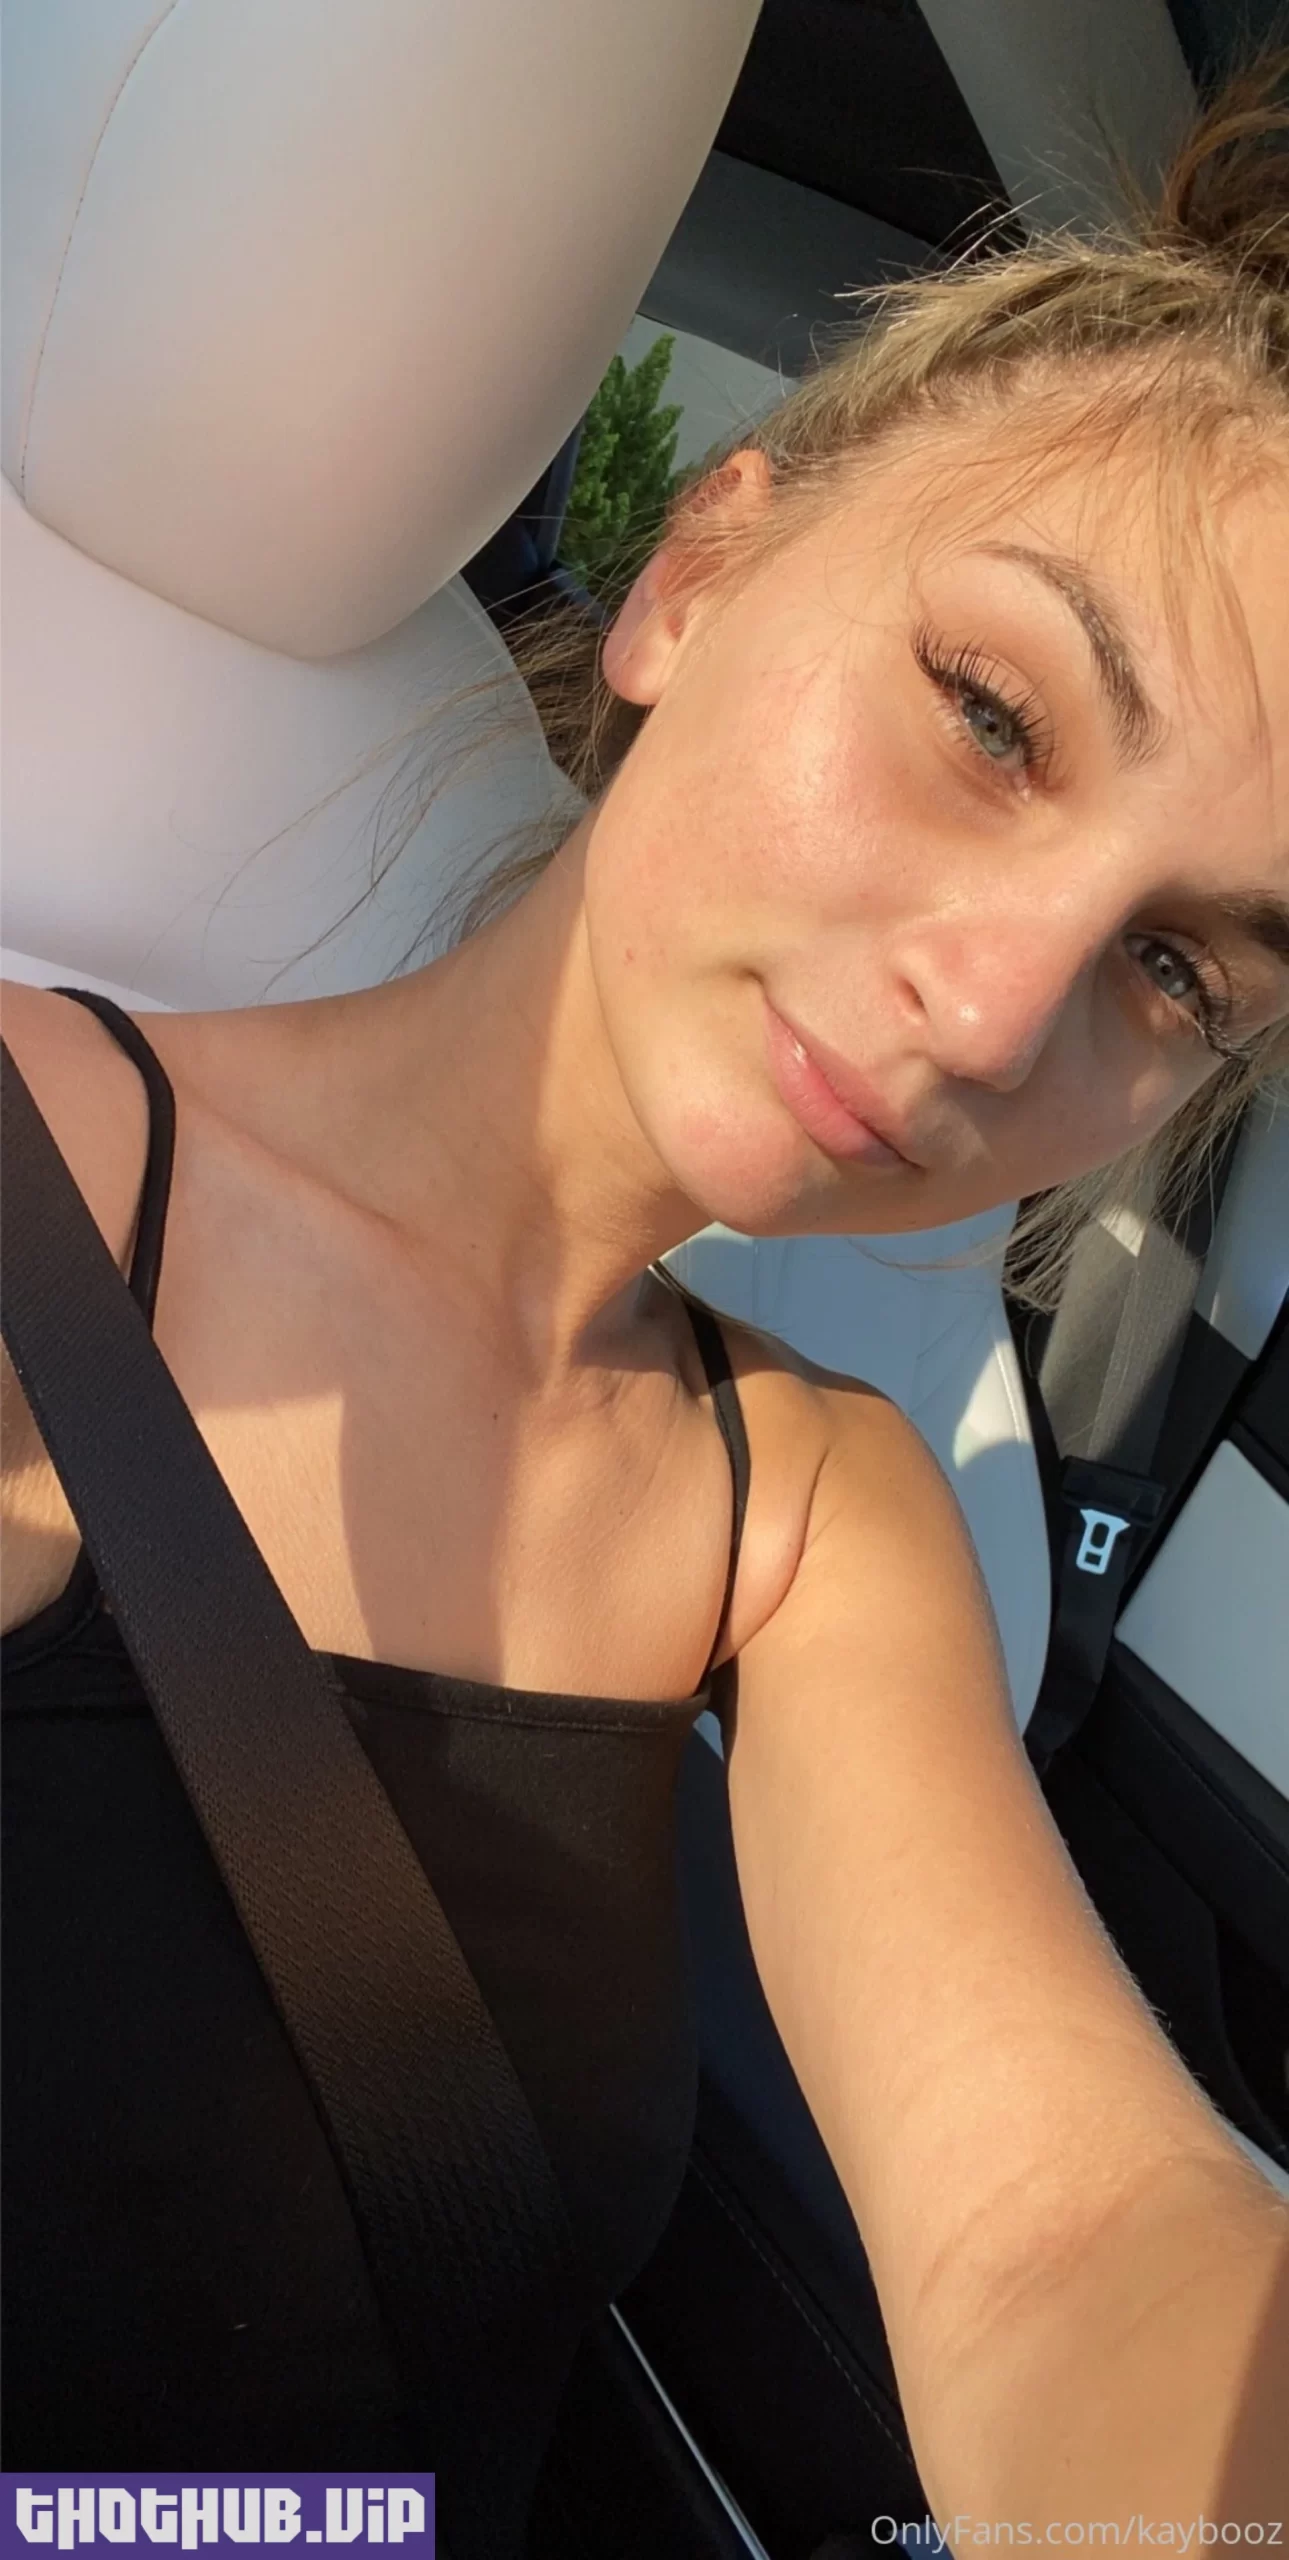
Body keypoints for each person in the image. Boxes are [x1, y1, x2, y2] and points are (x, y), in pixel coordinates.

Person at [3, 42, 1289, 2536]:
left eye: (1173, 970)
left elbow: (1062, 2236)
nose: (995, 1009)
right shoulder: (28, 1166)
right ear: (694, 580)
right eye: (987, 714)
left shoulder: (811, 1513)